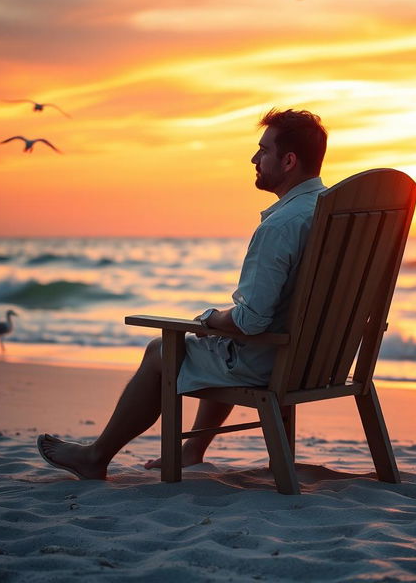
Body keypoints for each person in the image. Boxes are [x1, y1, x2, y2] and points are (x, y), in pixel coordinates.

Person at [37, 108, 328, 479]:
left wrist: (209, 319)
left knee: (164, 349)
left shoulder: (281, 225)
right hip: (321, 362)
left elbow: (251, 322)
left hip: (273, 362)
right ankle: (194, 448)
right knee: (217, 345)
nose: (254, 159)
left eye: (263, 150)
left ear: (289, 161)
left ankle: (95, 456)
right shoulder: (337, 212)